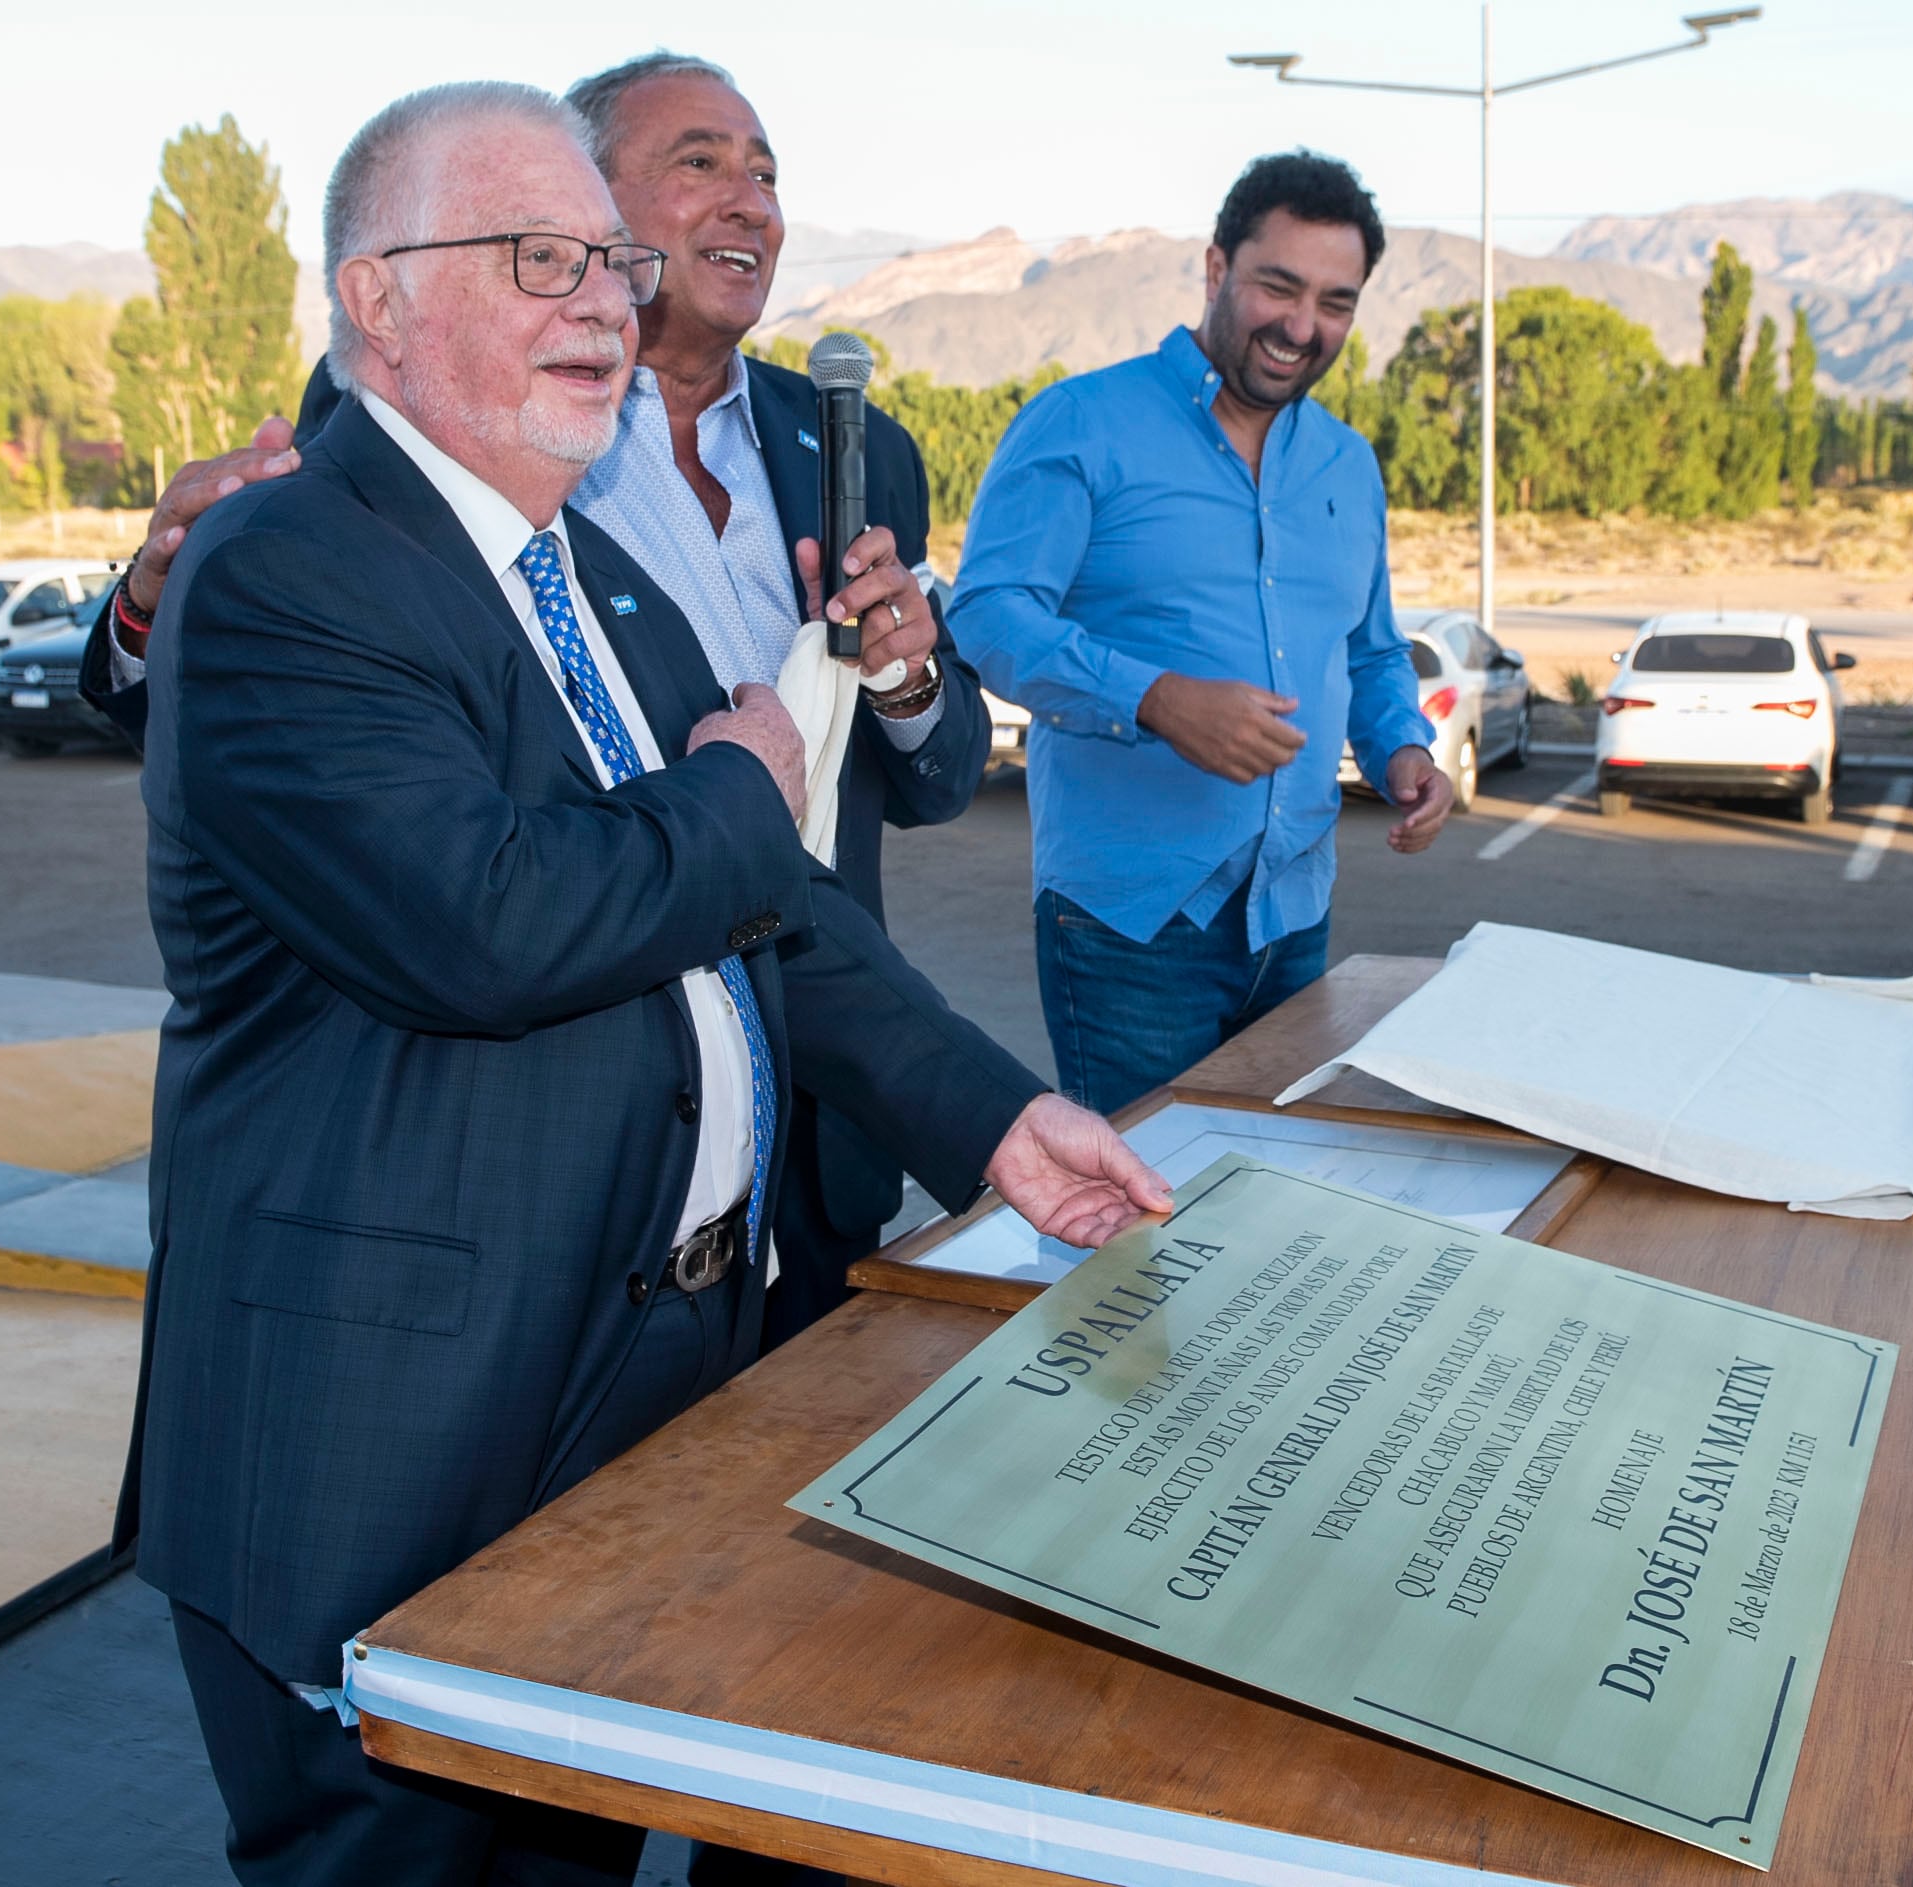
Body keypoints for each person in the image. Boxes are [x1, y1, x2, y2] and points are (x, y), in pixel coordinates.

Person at [129, 80, 1165, 1886]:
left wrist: (994, 1117)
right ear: (376, 301)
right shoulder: (290, 572)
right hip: (389, 1448)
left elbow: (776, 924)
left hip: (625, 1394)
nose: (604, 301)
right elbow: (491, 922)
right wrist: (740, 785)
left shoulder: (583, 577)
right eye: (538, 260)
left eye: (604, 263)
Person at [87, 51, 979, 1348]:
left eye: (768, 174)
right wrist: (142, 619)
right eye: (700, 163)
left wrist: (906, 678)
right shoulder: (413, 416)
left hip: (820, 1066)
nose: (751, 203)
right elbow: (314, 761)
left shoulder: (855, 445)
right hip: (543, 1151)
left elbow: (933, 777)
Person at [950, 151, 1455, 1116]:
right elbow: (989, 615)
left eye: (1336, 302)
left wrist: (1402, 749)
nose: (1303, 327)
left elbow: (1372, 648)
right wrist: (1156, 699)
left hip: (1294, 912)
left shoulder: (1349, 464)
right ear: (1217, 268)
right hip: (1129, 926)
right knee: (1144, 1230)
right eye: (1280, 286)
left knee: (1275, 1216)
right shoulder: (1079, 423)